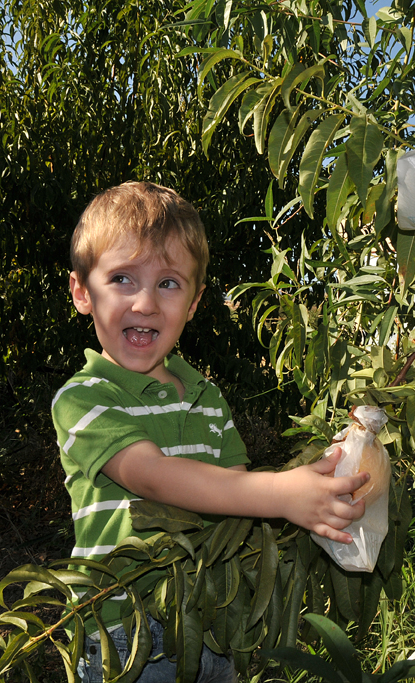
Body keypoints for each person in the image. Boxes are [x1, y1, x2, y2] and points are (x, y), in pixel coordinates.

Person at [52, 181, 369, 683]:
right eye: (122, 279)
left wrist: (318, 479)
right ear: (81, 292)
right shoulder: (84, 397)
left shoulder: (206, 397)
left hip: (214, 625)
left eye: (168, 283)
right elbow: (153, 476)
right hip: (127, 634)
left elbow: (236, 500)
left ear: (196, 302)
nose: (145, 303)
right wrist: (284, 492)